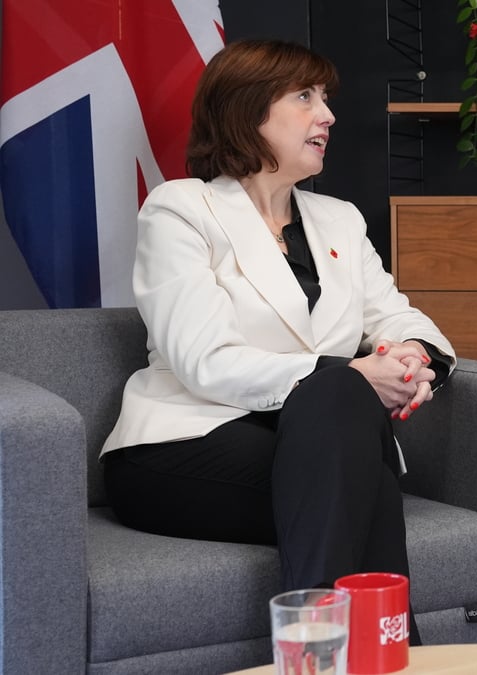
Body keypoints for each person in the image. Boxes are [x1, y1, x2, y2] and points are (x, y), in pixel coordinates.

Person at [100, 39, 454, 644]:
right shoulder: (181, 209)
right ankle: (391, 653)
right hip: (186, 447)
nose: (329, 115)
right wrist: (349, 375)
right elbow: (203, 361)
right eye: (306, 97)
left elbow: (401, 316)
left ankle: (320, 652)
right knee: (344, 409)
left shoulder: (339, 218)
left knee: (341, 411)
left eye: (327, 99)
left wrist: (413, 359)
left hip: (321, 443)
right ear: (248, 108)